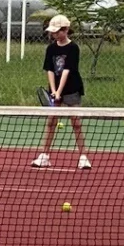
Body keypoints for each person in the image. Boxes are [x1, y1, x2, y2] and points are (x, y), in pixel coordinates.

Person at [31, 14, 91, 170]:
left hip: (72, 89)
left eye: (57, 31)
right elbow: (50, 70)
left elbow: (67, 70)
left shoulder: (73, 48)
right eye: (53, 32)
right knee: (51, 122)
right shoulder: (51, 48)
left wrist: (59, 91)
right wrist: (53, 90)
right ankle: (44, 156)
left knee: (76, 122)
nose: (54, 35)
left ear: (66, 30)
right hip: (55, 89)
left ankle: (83, 157)